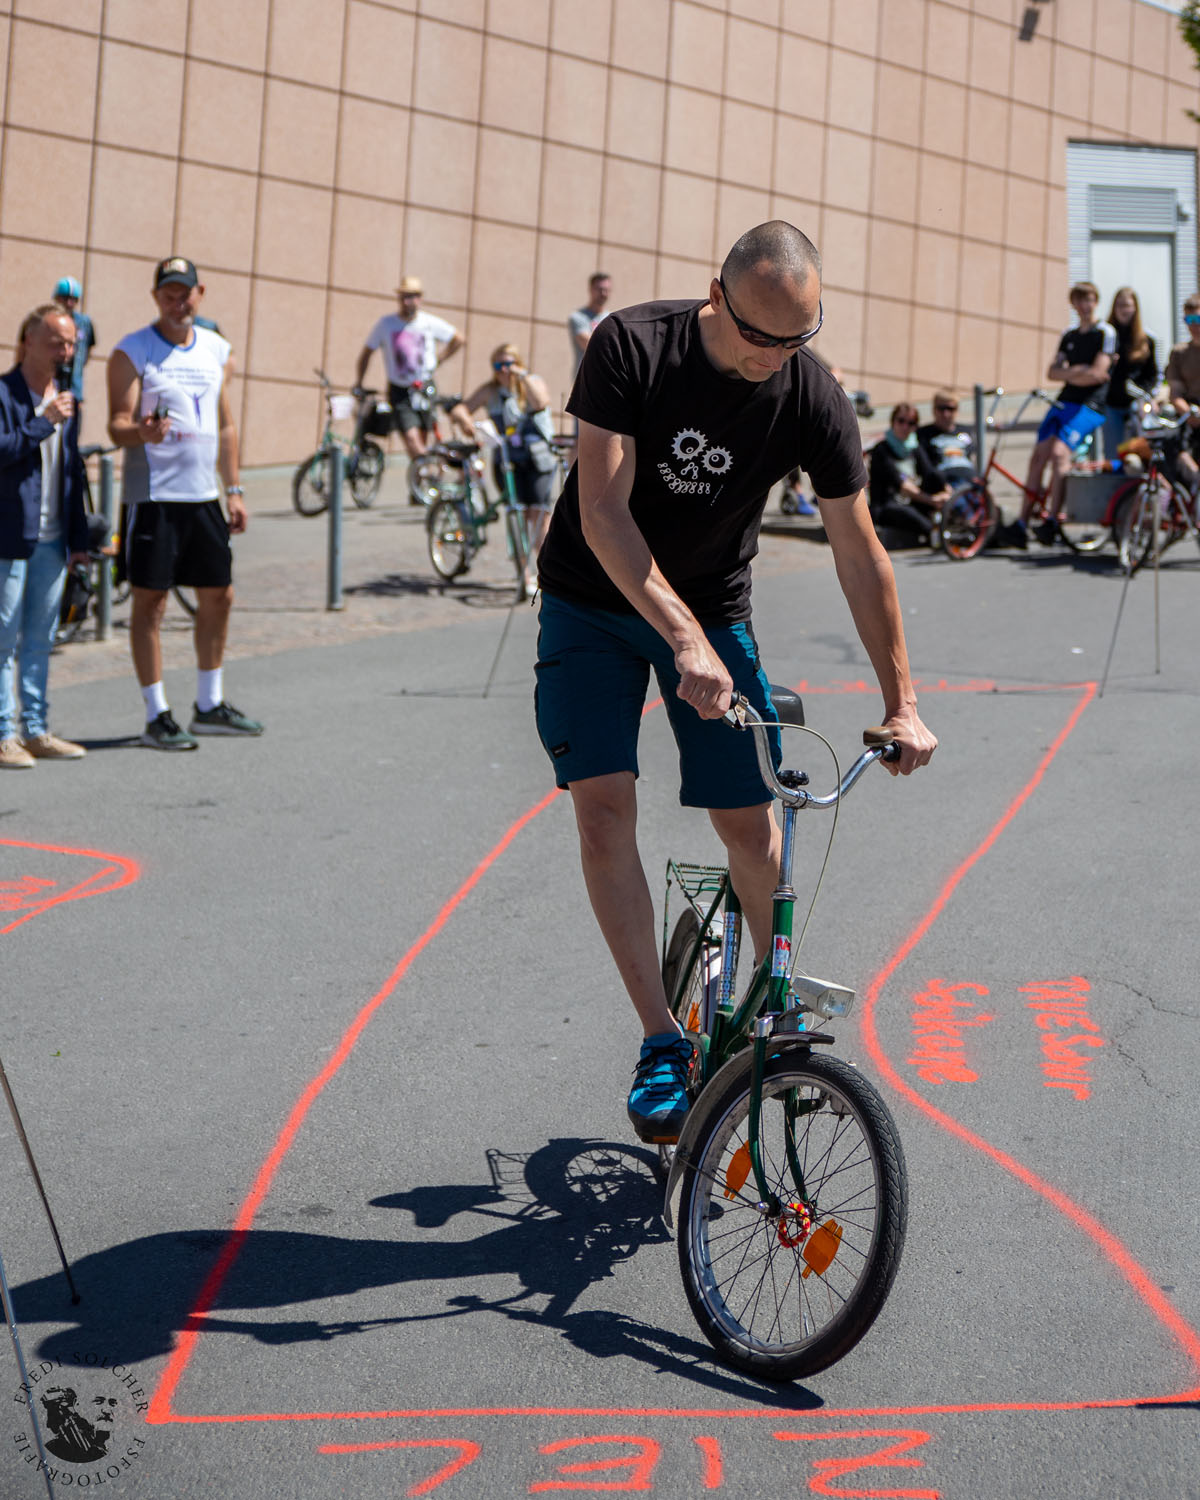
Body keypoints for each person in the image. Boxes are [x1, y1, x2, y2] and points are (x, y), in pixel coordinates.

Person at [533, 221, 937, 1144]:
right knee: (603, 811)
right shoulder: (632, 346)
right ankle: (660, 1042)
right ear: (718, 298)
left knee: (752, 826)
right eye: (762, 337)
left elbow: (858, 550)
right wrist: (681, 641)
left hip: (714, 606)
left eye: (799, 338)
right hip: (595, 598)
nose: (777, 357)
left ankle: (773, 999)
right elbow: (602, 511)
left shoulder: (811, 395)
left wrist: (901, 701)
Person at [107, 256, 263, 751]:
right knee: (149, 602)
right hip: (153, 498)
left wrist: (233, 489)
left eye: (186, 293)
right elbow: (116, 426)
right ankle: (157, 715)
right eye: (169, 294)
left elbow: (227, 424)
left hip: (203, 498)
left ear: (201, 294)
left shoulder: (217, 350)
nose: (178, 302)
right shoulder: (133, 351)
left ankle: (209, 705)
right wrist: (141, 432)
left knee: (220, 594)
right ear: (156, 297)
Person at [0, 304, 90, 768]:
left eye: (71, 342)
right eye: (56, 340)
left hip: (54, 539)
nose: (65, 350)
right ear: (27, 342)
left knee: (39, 637)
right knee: (3, 637)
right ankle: (3, 734)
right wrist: (42, 422)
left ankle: (35, 730)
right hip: (10, 535)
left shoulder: (68, 399)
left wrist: (79, 539)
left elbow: (72, 472)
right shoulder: (4, 393)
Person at [449, 342, 557, 598]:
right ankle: (524, 575)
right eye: (498, 365)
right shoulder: (491, 391)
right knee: (516, 517)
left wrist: (520, 375)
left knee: (539, 517)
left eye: (508, 364)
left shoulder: (530, 383)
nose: (503, 370)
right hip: (507, 461)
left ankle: (547, 576)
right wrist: (465, 420)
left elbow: (541, 401)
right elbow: (460, 408)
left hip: (537, 458)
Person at [1017, 281, 1116, 546]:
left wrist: (1073, 373)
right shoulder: (1069, 334)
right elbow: (1052, 372)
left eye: (1090, 300)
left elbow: (1098, 375)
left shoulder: (1105, 332)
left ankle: (1053, 519)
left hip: (1090, 406)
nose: (1085, 305)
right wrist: (1081, 372)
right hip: (1064, 402)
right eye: (1080, 300)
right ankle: (1022, 522)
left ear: (1096, 301)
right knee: (1038, 457)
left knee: (1060, 453)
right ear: (1074, 304)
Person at [354, 276, 462, 464]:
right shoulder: (386, 324)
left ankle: (421, 484)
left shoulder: (428, 322)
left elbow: (458, 338)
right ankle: (425, 472)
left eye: (411, 297)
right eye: (403, 297)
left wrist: (439, 360)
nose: (406, 302)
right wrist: (359, 382)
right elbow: (366, 353)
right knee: (411, 438)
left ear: (419, 298)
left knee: (423, 437)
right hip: (400, 389)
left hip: (424, 386)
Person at [868, 403, 949, 546]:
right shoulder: (881, 450)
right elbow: (902, 486)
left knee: (937, 475)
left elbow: (929, 472)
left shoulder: (914, 447)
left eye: (911, 423)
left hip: (913, 500)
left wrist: (948, 493)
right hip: (888, 505)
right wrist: (932, 500)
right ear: (893, 422)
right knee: (916, 519)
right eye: (901, 421)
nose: (905, 427)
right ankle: (936, 533)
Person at [1101, 287, 1158, 461]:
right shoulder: (1107, 336)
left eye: (1127, 305)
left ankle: (1137, 484)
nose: (1123, 310)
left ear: (1135, 308)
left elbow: (1153, 375)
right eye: (1119, 305)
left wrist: (1147, 397)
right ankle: (1115, 486)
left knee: (1137, 452)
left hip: (1135, 404)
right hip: (1111, 402)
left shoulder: (1146, 338)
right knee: (1114, 453)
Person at [1163, 292, 1200, 494]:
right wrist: (1188, 413)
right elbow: (1175, 391)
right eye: (1190, 319)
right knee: (1168, 443)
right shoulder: (1179, 352)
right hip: (1189, 411)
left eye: (1198, 319)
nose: (1194, 325)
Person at [51, 276, 96, 407]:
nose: (69, 303)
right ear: (56, 298)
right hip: (49, 387)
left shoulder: (84, 323)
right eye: (65, 298)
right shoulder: (46, 321)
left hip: (74, 391)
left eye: (74, 299)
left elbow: (87, 353)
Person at [567, 272, 612, 374]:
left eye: (607, 290)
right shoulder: (577, 317)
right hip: (584, 378)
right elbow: (590, 344)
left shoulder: (611, 318)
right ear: (590, 289)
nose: (603, 294)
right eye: (600, 289)